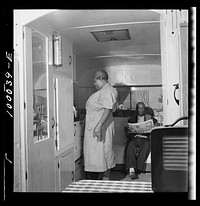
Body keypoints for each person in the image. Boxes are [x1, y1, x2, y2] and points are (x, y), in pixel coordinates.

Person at [83, 70, 118, 180]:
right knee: (97, 156)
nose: (94, 84)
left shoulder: (109, 90)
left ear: (100, 79)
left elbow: (108, 109)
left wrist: (98, 126)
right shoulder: (102, 91)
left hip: (102, 128)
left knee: (103, 154)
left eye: (95, 81)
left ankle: (104, 180)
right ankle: (98, 180)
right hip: (96, 127)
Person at [124, 102, 157, 180]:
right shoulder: (131, 119)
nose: (141, 110)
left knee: (146, 145)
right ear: (136, 109)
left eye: (142, 108)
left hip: (145, 138)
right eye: (139, 108)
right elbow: (128, 132)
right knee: (130, 146)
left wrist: (155, 125)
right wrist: (128, 131)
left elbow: (155, 123)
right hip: (135, 138)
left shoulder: (149, 118)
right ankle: (132, 169)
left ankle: (135, 169)